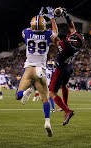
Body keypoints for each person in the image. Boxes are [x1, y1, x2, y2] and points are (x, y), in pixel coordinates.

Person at [15, 7, 58, 137]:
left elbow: (31, 28)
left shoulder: (26, 32)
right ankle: (47, 121)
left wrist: (38, 18)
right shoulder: (47, 34)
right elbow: (55, 33)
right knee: (45, 99)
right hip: (41, 68)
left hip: (29, 68)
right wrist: (52, 18)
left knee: (18, 95)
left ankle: (25, 91)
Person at [49, 9, 84, 126]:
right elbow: (72, 27)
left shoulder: (65, 47)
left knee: (52, 93)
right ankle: (66, 105)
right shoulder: (75, 45)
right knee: (64, 85)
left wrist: (52, 18)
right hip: (69, 67)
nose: (70, 34)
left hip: (61, 69)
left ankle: (67, 111)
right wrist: (66, 16)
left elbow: (54, 36)